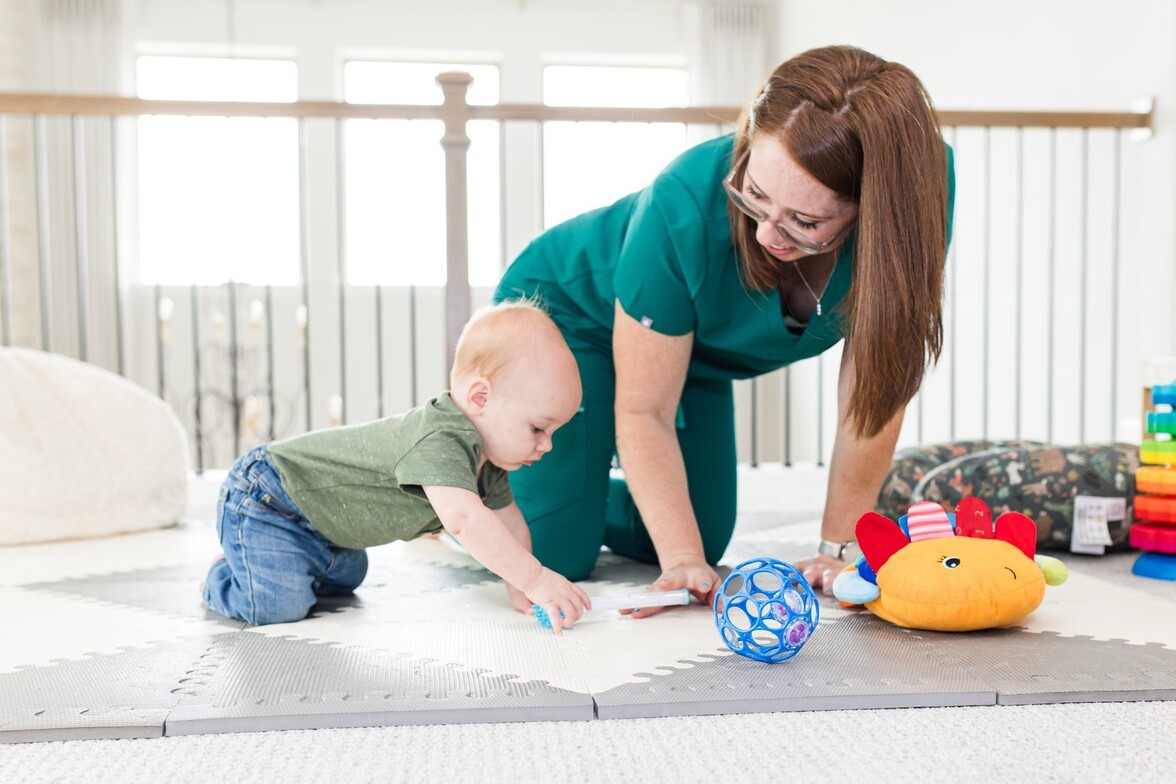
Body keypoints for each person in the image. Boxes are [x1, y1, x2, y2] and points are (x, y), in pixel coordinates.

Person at [493, 44, 955, 612]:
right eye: (754, 195)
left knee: (703, 540)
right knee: (555, 551)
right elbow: (645, 410)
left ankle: (576, 487)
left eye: (805, 221)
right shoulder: (682, 199)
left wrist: (837, 550)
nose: (767, 235)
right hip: (567, 316)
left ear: (873, 210)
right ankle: (466, 497)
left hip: (690, 353)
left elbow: (874, 390)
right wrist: (680, 558)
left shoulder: (916, 194)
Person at [202, 299, 590, 633]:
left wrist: (521, 589)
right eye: (538, 428)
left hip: (322, 528)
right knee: (278, 607)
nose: (547, 445)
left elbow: (510, 525)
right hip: (268, 495)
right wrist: (536, 578)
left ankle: (275, 558)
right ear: (480, 398)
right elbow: (464, 520)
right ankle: (225, 574)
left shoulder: (488, 463)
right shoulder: (440, 438)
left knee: (349, 577)